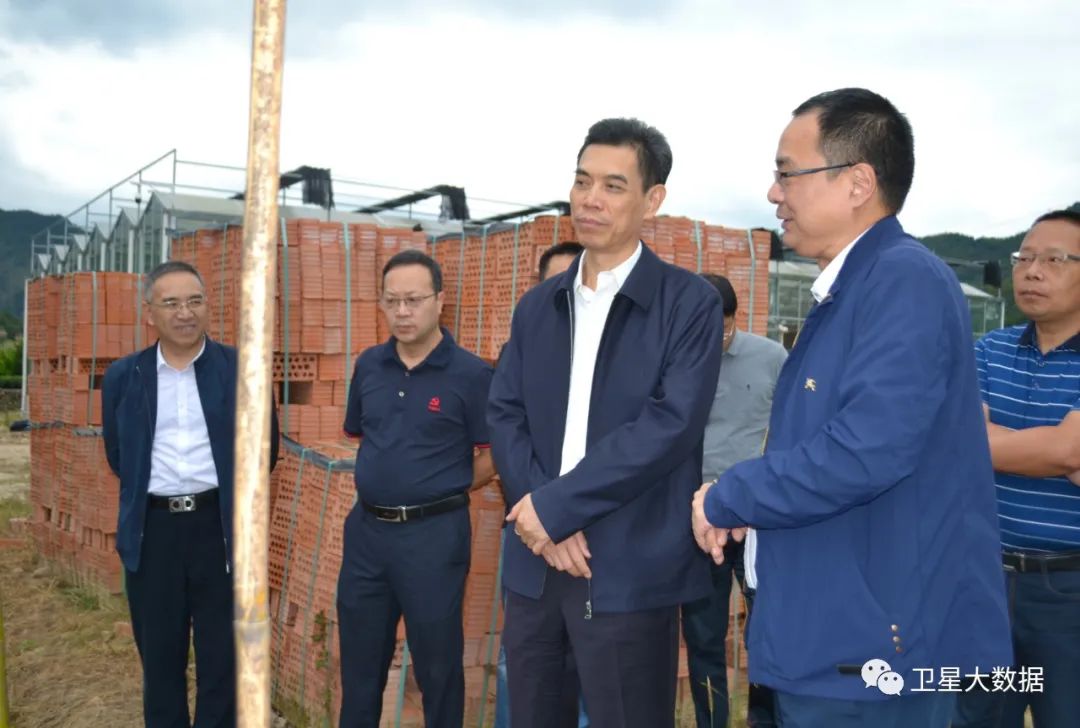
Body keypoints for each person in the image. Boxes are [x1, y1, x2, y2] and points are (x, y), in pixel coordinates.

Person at [692, 87, 1012, 728]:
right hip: (839, 637)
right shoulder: (856, 287)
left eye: (787, 173)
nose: (773, 193)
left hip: (874, 654)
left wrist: (731, 495)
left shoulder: (902, 280)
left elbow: (866, 450)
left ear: (858, 182)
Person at [488, 117, 724, 728]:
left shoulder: (687, 303)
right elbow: (505, 412)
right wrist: (542, 516)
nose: (590, 198)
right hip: (536, 563)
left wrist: (559, 508)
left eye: (614, 186)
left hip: (628, 567)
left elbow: (670, 424)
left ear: (653, 200)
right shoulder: (538, 306)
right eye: (582, 180)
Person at [102, 260, 280, 728]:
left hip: (219, 528)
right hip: (154, 532)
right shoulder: (124, 376)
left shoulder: (241, 369)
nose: (185, 313)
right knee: (160, 663)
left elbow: (265, 451)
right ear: (150, 313)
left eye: (195, 301)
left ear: (208, 306)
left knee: (223, 662)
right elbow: (120, 456)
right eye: (172, 303)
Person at [336, 249, 495, 728]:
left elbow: (496, 454)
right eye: (392, 301)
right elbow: (364, 436)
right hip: (367, 536)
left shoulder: (472, 375)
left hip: (433, 538)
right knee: (359, 669)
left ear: (440, 301)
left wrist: (444, 485)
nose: (402, 312)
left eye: (414, 300)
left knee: (437, 668)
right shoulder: (370, 365)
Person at [953, 209, 1080, 728]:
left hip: (1067, 593)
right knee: (977, 717)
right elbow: (952, 441)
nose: (1032, 271)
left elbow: (1070, 452)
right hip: (983, 583)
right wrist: (1052, 448)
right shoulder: (988, 350)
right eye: (1023, 258)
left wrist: (985, 439)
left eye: (1054, 260)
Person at [681, 273, 785, 728]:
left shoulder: (771, 357)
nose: (714, 339)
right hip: (698, 519)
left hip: (757, 518)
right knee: (703, 636)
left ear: (734, 318)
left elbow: (791, 428)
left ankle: (766, 719)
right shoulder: (674, 359)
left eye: (721, 329)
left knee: (767, 630)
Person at [493, 240, 588, 728]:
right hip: (532, 544)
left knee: (595, 686)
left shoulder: (624, 357)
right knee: (524, 675)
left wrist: (567, 514)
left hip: (598, 548)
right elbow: (508, 432)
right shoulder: (520, 351)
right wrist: (549, 518)